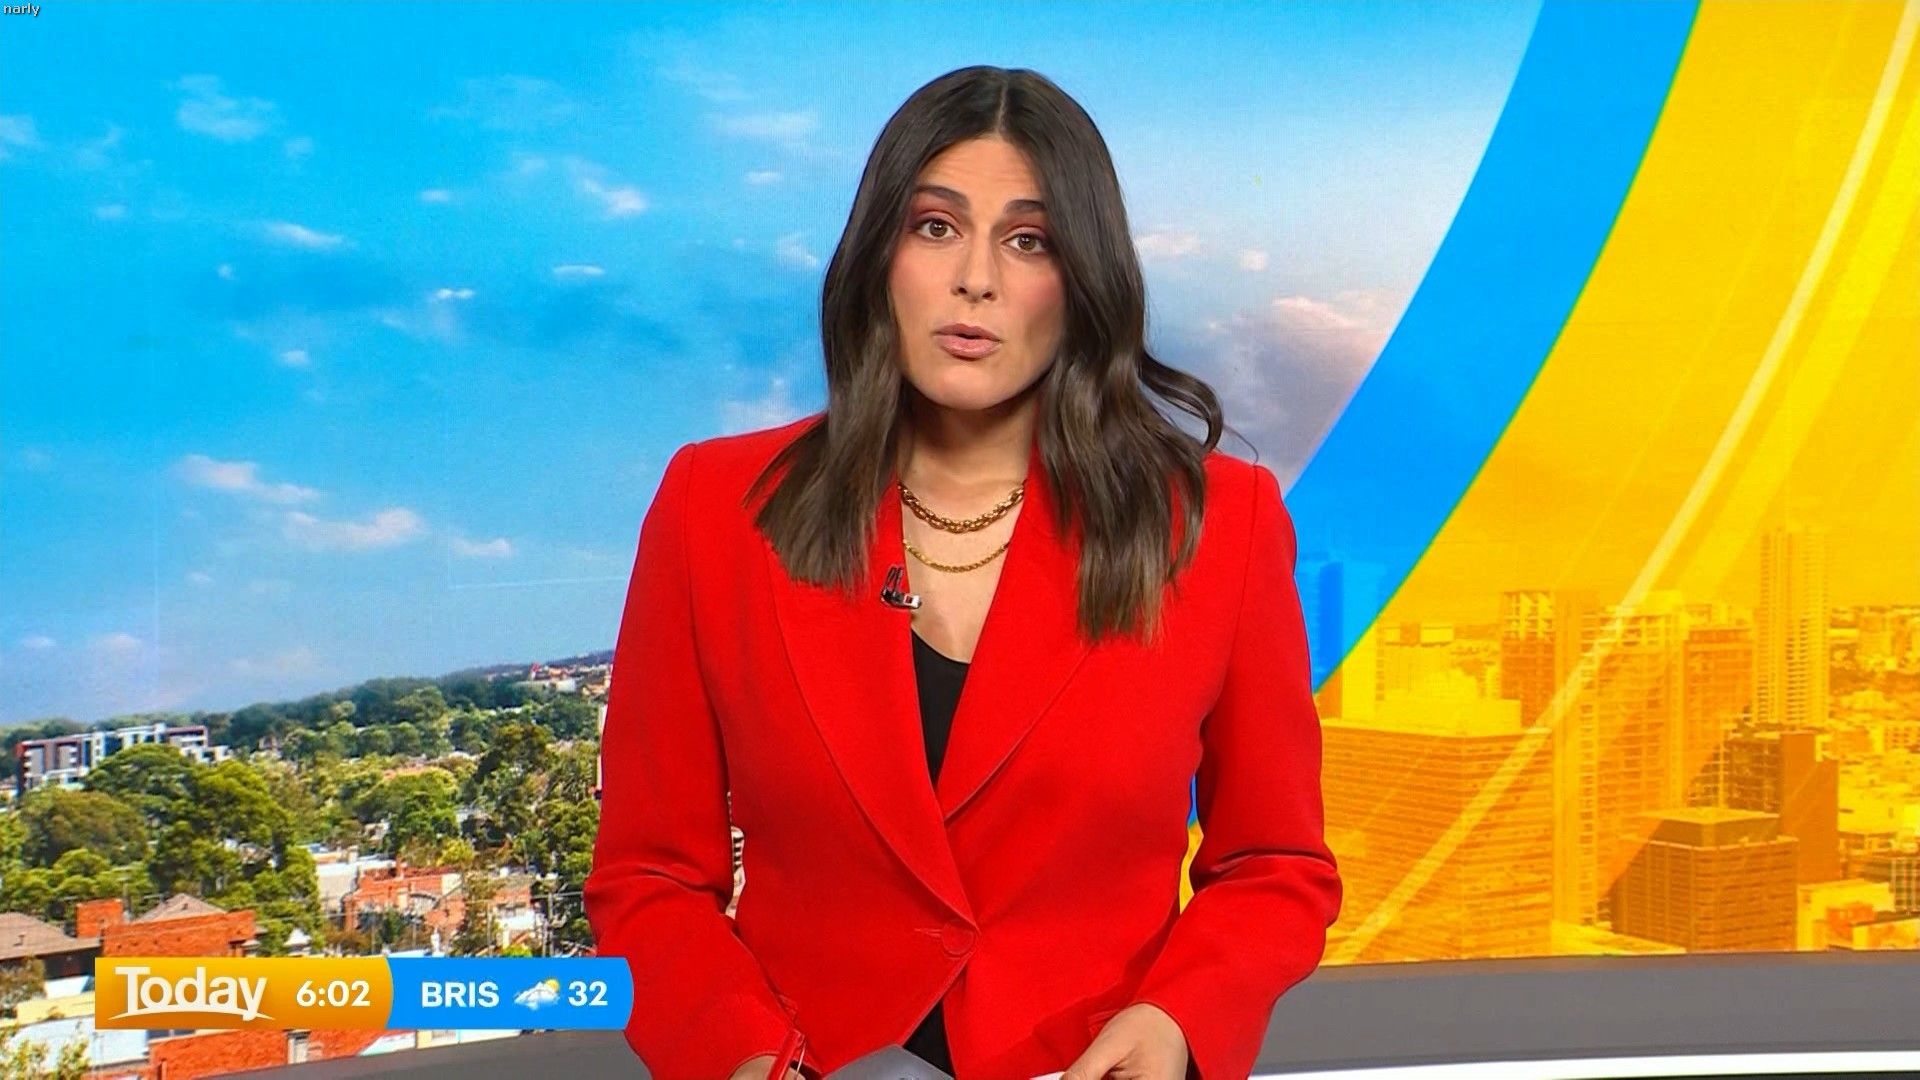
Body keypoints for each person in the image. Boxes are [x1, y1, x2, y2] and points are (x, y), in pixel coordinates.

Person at [584, 65, 1341, 1080]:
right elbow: (647, 878)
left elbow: (1275, 866)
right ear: (879, 257)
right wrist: (744, 1058)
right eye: (935, 227)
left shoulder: (1218, 523)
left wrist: (1176, 1021)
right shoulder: (715, 509)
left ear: (1083, 282)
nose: (974, 278)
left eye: (1029, 241)